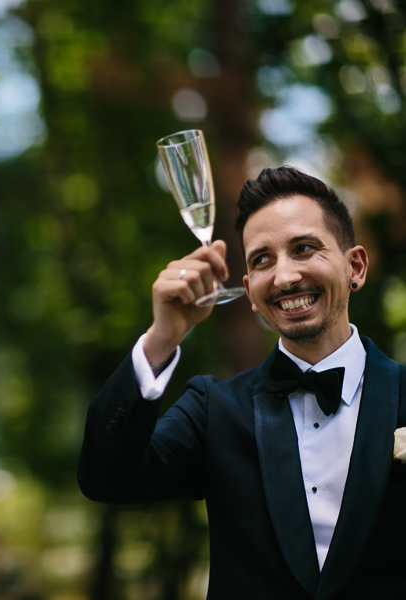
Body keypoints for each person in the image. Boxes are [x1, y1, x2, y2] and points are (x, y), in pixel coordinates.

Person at [78, 165, 406, 599]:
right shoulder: (213, 409)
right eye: (262, 260)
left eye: (304, 248)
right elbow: (106, 478)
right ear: (250, 292)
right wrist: (162, 338)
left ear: (355, 267)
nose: (285, 277)